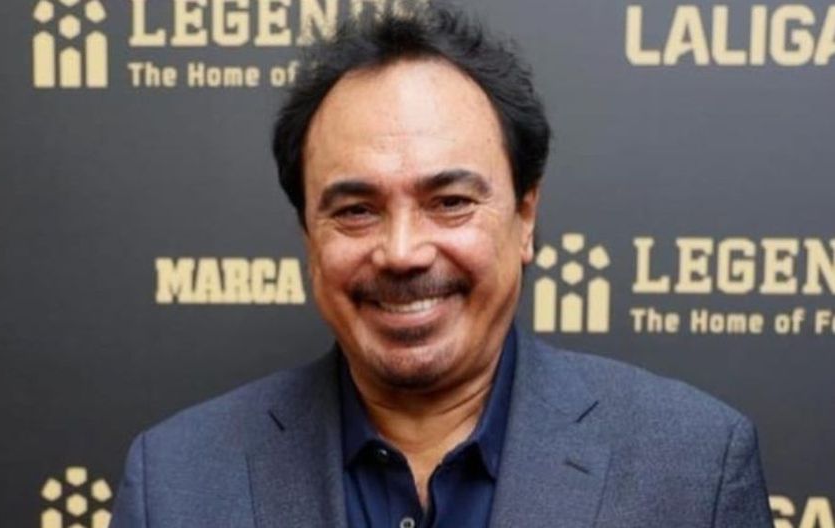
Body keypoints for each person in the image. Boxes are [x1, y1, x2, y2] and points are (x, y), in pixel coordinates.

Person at [110, 4, 773, 527]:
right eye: (356, 210)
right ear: (309, 234)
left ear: (525, 217)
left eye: (450, 202)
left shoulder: (694, 471)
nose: (403, 252)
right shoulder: (176, 482)